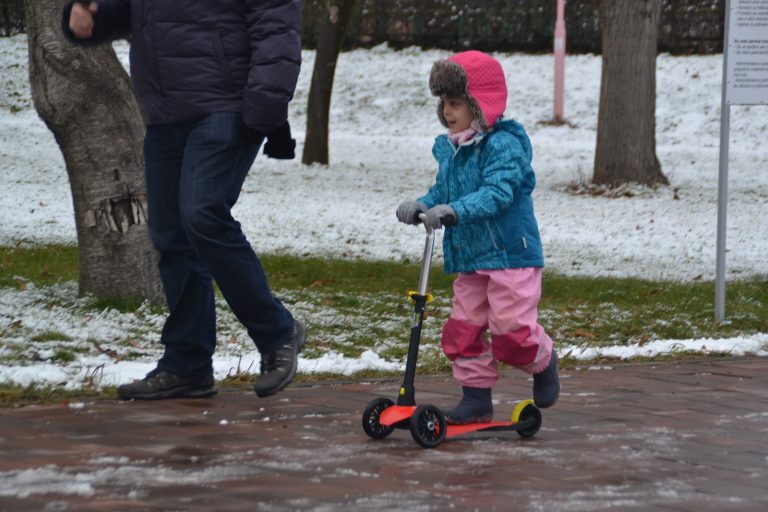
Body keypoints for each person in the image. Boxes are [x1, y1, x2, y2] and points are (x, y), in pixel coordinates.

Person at [62, 0, 306, 400]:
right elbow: (132, 14)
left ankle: (278, 333)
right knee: (172, 236)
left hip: (226, 106)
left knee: (203, 213)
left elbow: (276, 26)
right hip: (164, 115)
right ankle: (188, 364)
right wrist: (89, 21)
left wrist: (263, 108)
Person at [396, 50, 559, 424]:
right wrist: (422, 204)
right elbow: (443, 190)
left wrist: (456, 211)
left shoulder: (504, 145)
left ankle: (544, 359)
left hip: (509, 256)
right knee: (463, 330)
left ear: (480, 105)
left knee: (511, 332)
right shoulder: (451, 148)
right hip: (470, 258)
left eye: (456, 103)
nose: (447, 112)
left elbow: (497, 193)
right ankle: (475, 398)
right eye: (444, 104)